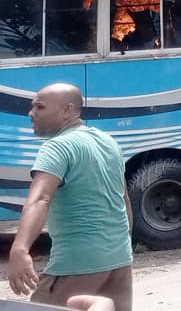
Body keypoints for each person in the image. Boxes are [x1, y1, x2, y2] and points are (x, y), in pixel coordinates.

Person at [6, 83, 133, 311]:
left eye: (40, 107)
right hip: (119, 262)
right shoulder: (108, 142)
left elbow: (40, 198)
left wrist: (20, 249)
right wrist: (122, 247)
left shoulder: (57, 147)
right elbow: (123, 199)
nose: (31, 113)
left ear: (67, 110)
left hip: (76, 264)